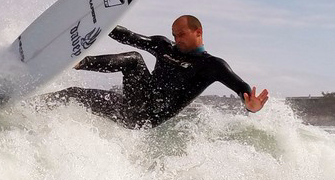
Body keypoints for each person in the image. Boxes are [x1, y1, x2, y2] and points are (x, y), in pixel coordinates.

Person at [43, 15, 269, 128]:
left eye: (181, 34)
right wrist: (100, 20)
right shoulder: (163, 46)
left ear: (198, 32)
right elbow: (129, 36)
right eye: (174, 34)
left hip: (148, 117)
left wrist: (251, 106)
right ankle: (25, 105)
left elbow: (242, 89)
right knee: (72, 93)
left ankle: (76, 62)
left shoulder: (212, 65)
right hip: (129, 105)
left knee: (133, 60)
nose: (176, 39)